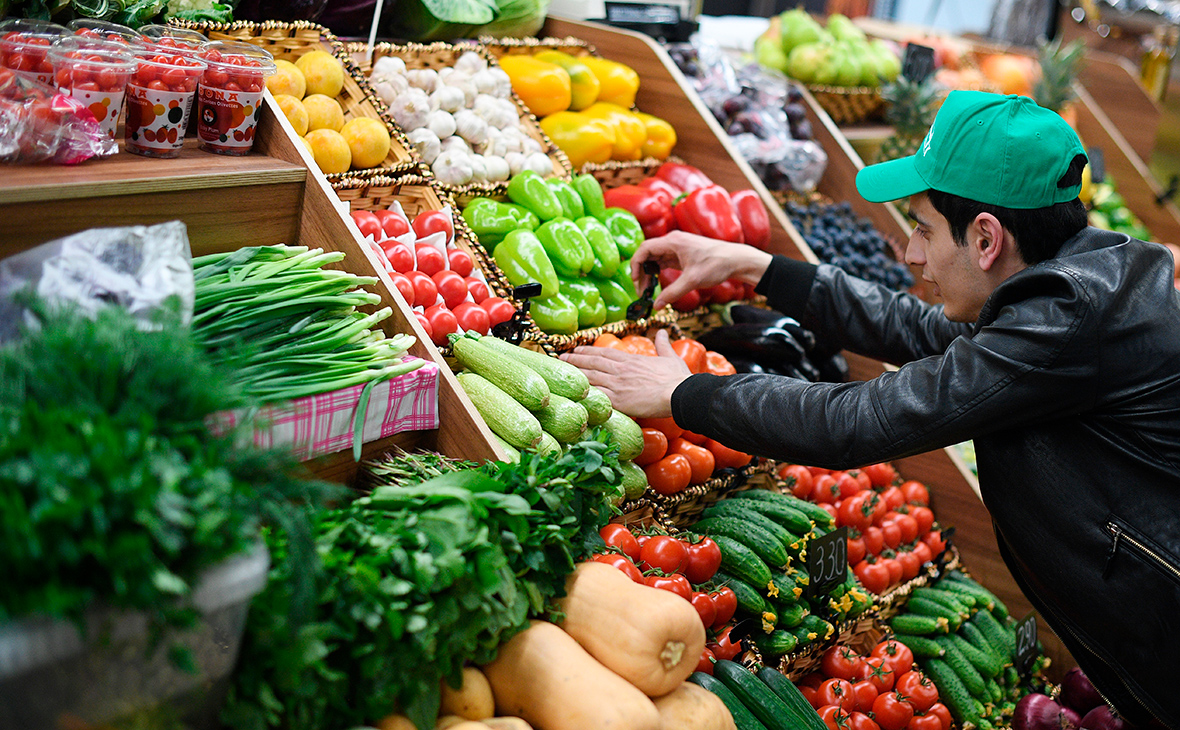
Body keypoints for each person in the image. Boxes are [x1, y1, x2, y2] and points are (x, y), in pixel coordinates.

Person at [562, 90, 1180, 727]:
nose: (911, 253)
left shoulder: (1068, 317)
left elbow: (855, 421)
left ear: (987, 239)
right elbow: (920, 329)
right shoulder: (1076, 282)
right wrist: (761, 268)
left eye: (923, 229)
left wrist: (684, 391)